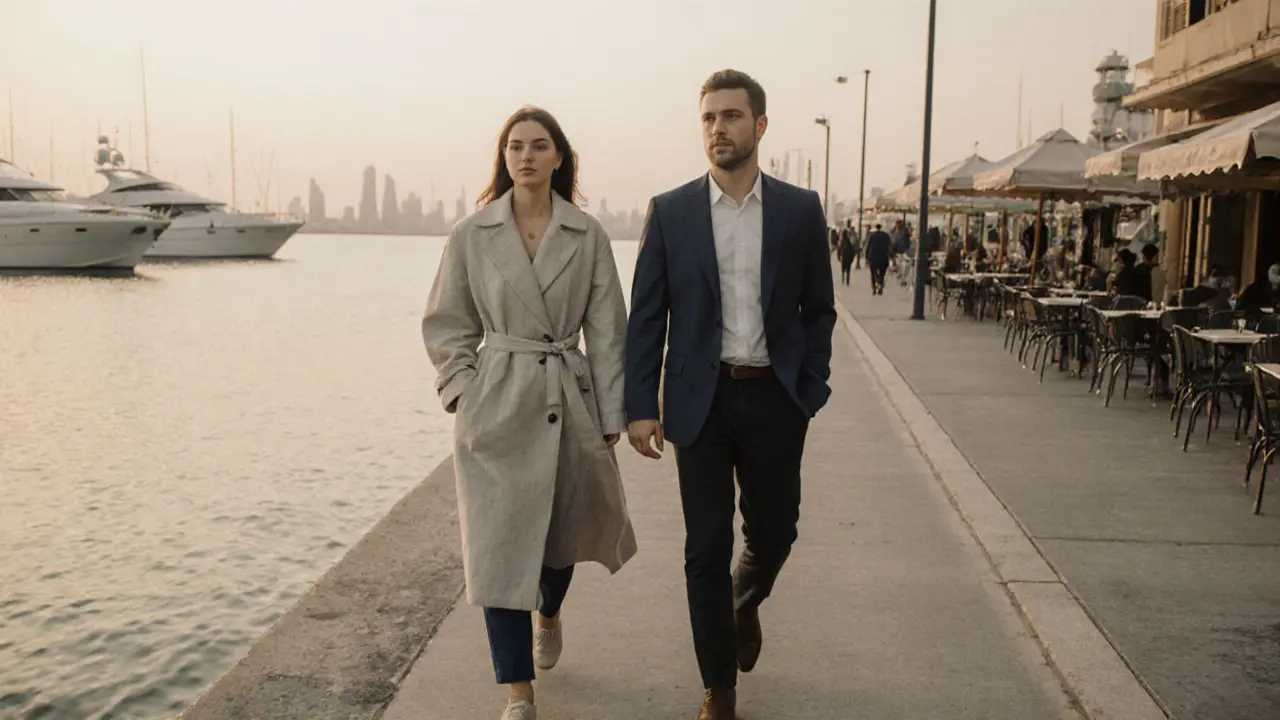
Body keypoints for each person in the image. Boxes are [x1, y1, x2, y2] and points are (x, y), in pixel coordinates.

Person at [624, 69, 836, 720]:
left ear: (760, 125)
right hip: (701, 402)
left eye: (732, 116)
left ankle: (743, 601)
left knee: (775, 530)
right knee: (705, 547)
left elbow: (819, 308)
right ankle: (719, 690)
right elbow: (647, 317)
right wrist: (640, 406)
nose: (719, 128)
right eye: (709, 118)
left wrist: (810, 385)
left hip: (776, 397)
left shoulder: (800, 209)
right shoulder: (671, 212)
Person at [420, 106, 637, 720]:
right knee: (497, 548)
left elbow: (608, 329)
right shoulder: (472, 234)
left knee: (560, 541)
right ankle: (518, 691)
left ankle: (550, 610)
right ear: (504, 156)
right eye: (515, 146)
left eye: (539, 146)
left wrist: (611, 413)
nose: (526, 156)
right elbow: (447, 322)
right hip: (496, 402)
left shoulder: (586, 234)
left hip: (567, 398)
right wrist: (463, 391)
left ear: (559, 157)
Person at [865, 223, 893, 294]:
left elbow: (868, 246)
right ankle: (880, 285)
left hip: (873, 256)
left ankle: (874, 288)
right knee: (882, 273)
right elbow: (890, 246)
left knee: (873, 273)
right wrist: (891, 255)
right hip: (883, 256)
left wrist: (866, 257)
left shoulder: (872, 235)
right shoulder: (886, 235)